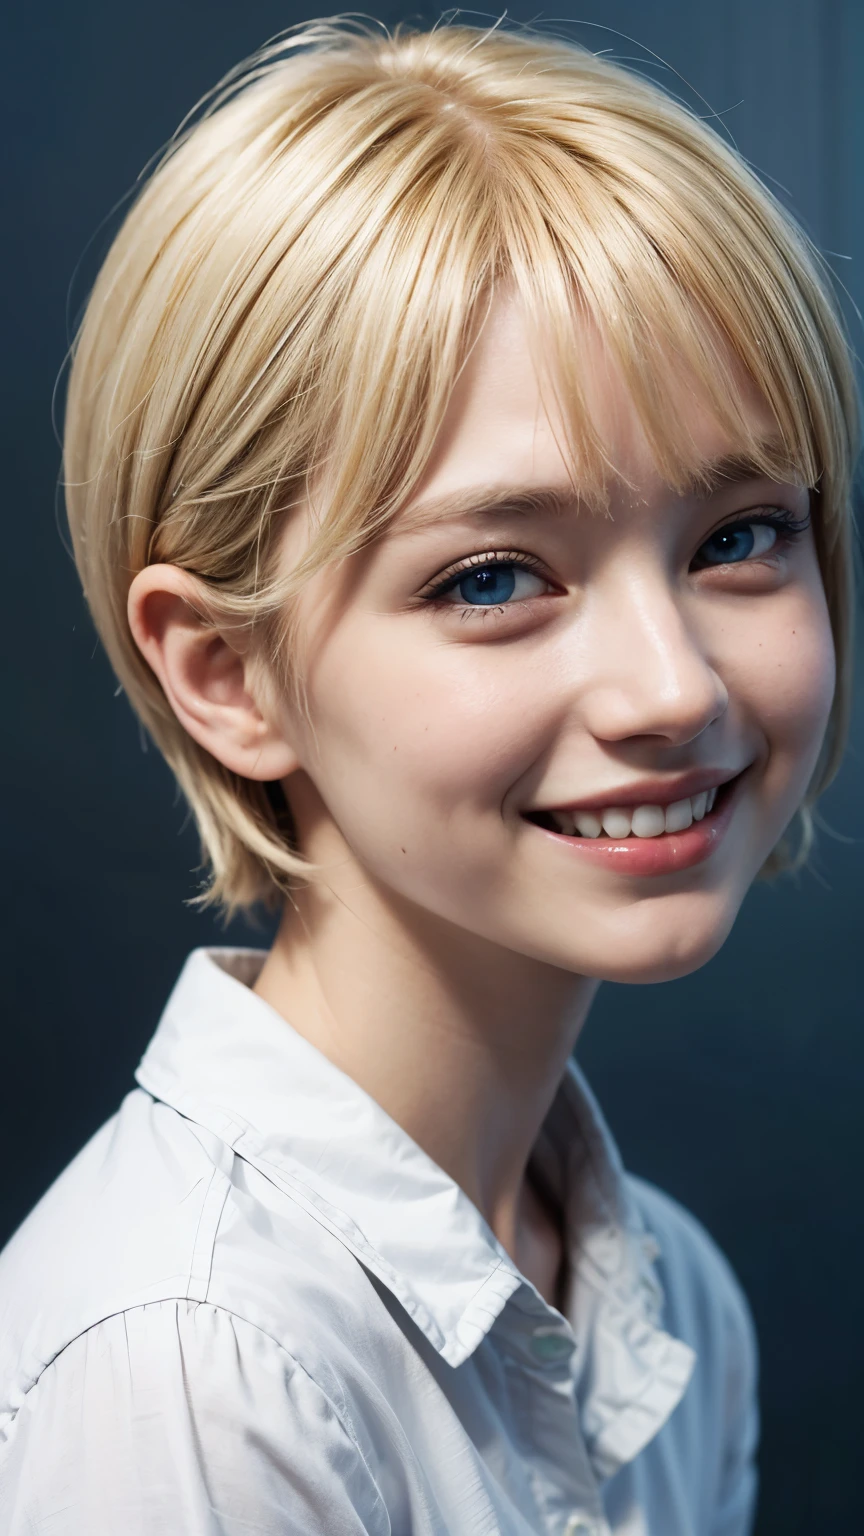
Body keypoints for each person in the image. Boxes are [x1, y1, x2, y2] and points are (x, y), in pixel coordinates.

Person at [0, 16, 858, 1535]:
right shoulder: (192, 1380)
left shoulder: (673, 1313)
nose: (674, 687)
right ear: (227, 674)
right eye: (493, 578)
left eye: (738, 538)